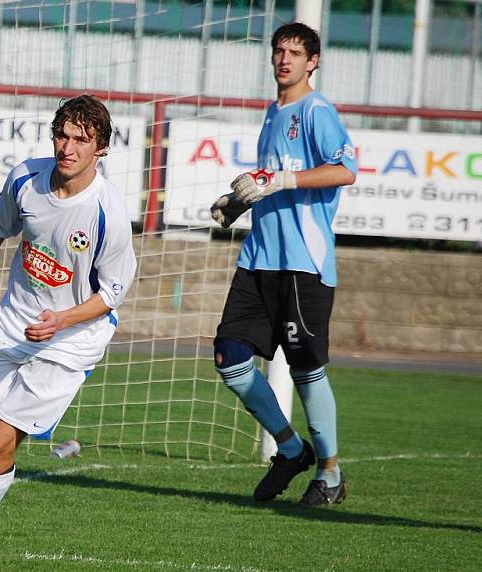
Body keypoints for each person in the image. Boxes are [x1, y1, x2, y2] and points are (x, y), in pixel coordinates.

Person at [0, 95, 136, 556]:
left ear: (100, 149)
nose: (68, 148)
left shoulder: (107, 213)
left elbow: (111, 295)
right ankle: (4, 411)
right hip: (12, 325)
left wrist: (61, 319)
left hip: (70, 341)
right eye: (62, 136)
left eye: (81, 140)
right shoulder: (26, 177)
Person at [210, 22, 357, 506]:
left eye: (295, 52)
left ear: (313, 61)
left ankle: (330, 473)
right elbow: (268, 182)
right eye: (279, 51)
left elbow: (345, 170)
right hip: (258, 260)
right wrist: (238, 203)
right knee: (229, 357)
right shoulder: (273, 113)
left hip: (302, 263)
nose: (284, 59)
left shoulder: (316, 111)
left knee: (305, 369)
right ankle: (292, 450)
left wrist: (283, 181)